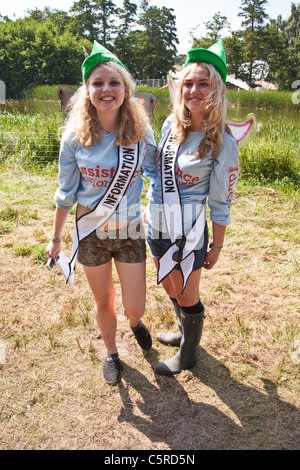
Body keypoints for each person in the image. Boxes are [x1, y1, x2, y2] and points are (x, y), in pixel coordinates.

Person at [47, 41, 156, 385]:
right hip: (91, 232)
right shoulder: (74, 137)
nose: (106, 89)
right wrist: (55, 239)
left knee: (133, 306)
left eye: (114, 83)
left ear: (125, 89)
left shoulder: (141, 132)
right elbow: (66, 193)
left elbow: (159, 175)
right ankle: (111, 352)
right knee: (104, 301)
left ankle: (136, 323)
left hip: (129, 232)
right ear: (87, 90)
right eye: (98, 83)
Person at [145, 40, 239, 376]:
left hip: (189, 232)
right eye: (188, 83)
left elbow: (221, 201)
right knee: (169, 286)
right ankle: (183, 333)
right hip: (157, 223)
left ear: (217, 90)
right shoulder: (172, 125)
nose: (194, 90)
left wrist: (217, 245)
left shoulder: (223, 142)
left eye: (204, 83)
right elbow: (158, 172)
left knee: (187, 294)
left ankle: (189, 355)